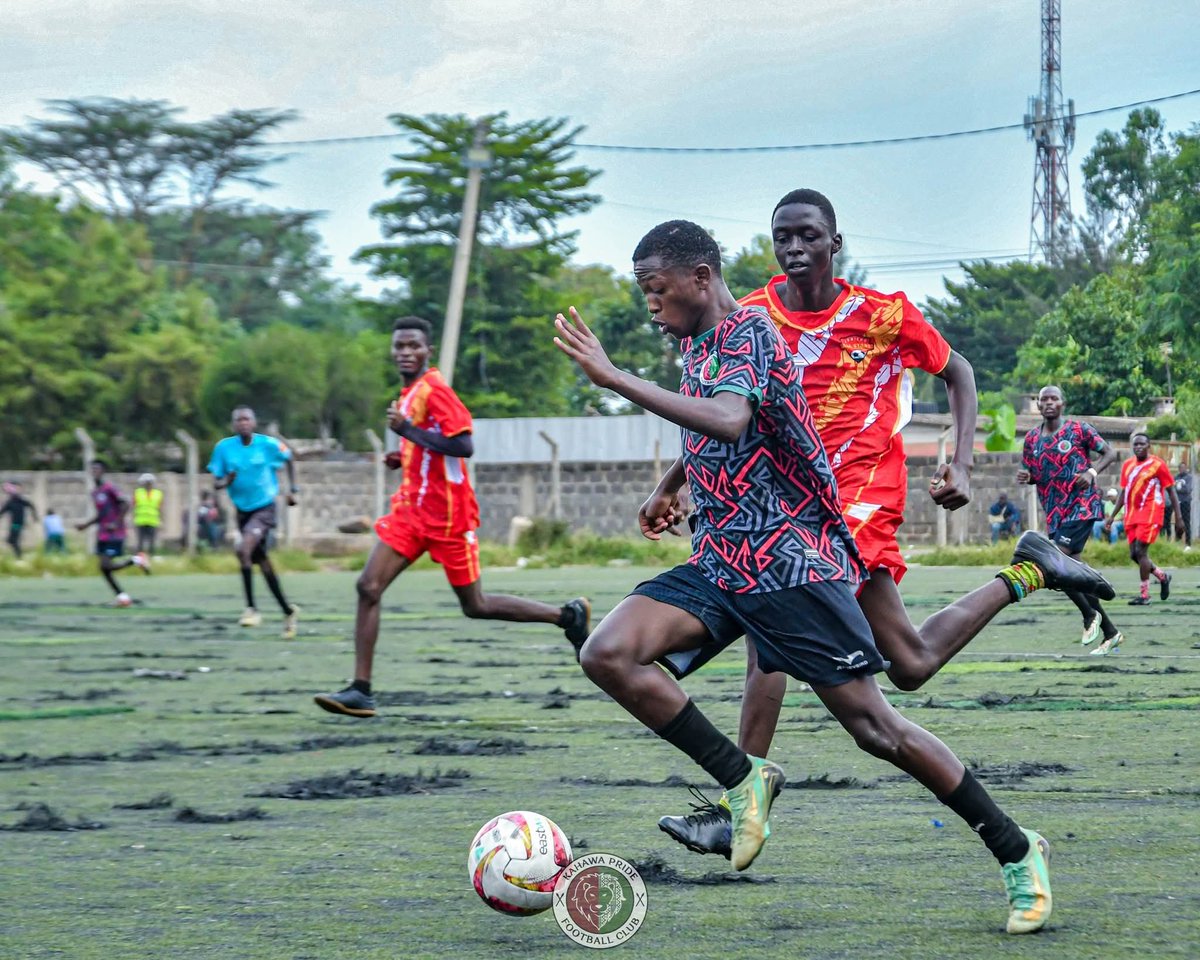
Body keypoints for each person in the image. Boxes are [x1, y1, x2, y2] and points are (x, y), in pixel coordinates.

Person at [557, 219, 1053, 934]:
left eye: (656, 289)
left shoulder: (754, 331)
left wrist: (612, 377)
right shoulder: (696, 343)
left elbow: (729, 419)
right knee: (607, 652)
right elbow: (726, 427)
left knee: (877, 727)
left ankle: (1015, 849)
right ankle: (743, 776)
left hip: (791, 564)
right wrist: (672, 482)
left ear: (701, 278)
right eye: (645, 293)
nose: (649, 305)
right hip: (724, 562)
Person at [657, 190, 1110, 860]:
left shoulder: (883, 314)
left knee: (794, 635)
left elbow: (958, 371)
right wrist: (669, 484)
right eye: (782, 237)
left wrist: (960, 461)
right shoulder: (750, 315)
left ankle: (740, 805)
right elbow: (727, 414)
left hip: (860, 501)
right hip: (786, 506)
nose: (794, 248)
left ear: (835, 244)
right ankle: (1031, 568)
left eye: (808, 235)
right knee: (904, 663)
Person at [313, 316, 592, 718]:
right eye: (399, 346)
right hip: (411, 513)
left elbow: (463, 445)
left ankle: (567, 616)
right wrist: (402, 454)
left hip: (448, 518)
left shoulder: (436, 390)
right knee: (368, 587)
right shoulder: (408, 394)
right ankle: (361, 690)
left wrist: (407, 433)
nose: (405, 352)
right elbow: (431, 446)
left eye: (413, 346)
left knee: (475, 605)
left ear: (427, 350)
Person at [1018, 385, 1123, 653]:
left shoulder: (1079, 430)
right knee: (1071, 572)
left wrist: (1091, 471)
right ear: (1038, 405)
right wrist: (1029, 478)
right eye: (1044, 399)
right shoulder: (1031, 440)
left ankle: (1090, 616)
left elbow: (1110, 453)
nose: (1049, 403)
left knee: (1056, 564)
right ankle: (1110, 632)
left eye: (1054, 398)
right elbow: (1036, 473)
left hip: (1082, 506)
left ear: (1063, 404)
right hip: (1055, 514)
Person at [207, 407, 300, 638]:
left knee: (243, 549)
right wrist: (226, 481)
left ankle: (251, 609)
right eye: (238, 420)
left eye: (247, 419)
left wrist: (292, 490)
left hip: (265, 508)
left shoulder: (267, 445)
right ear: (233, 425)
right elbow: (216, 483)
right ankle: (288, 611)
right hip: (243, 512)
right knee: (261, 561)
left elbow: (289, 459)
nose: (243, 423)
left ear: (254, 422)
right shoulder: (224, 449)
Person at [1105, 433, 1183, 606]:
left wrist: (1178, 518)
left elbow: (1171, 491)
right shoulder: (1127, 465)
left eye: (1142, 444)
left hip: (1151, 512)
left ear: (1149, 446)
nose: (1138, 447)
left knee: (1141, 552)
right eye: (1135, 445)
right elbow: (1124, 492)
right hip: (1132, 514)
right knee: (1134, 555)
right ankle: (1162, 577)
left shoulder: (1157, 465)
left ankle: (1144, 595)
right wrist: (1112, 517)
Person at [75, 460, 151, 605]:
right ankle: (122, 597)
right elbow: (101, 514)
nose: (94, 472)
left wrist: (116, 523)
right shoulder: (95, 493)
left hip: (114, 534)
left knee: (106, 565)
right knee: (104, 568)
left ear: (103, 471)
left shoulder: (109, 488)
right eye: (92, 470)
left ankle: (137, 560)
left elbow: (126, 503)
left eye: (97, 469)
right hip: (102, 534)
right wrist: (85, 525)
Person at [1, 481, 38, 559]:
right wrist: (35, 516)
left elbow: (31, 505)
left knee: (12, 540)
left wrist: (35, 516)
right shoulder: (12, 502)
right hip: (17, 524)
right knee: (12, 540)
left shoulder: (17, 501)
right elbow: (2, 512)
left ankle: (19, 556)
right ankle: (18, 555)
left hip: (17, 524)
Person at [133, 473, 164, 555]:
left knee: (152, 542)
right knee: (140, 541)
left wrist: (161, 520)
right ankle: (139, 558)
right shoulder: (138, 492)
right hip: (141, 520)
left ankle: (151, 556)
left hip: (153, 520)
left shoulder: (158, 493)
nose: (148, 484)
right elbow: (134, 506)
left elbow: (160, 507)